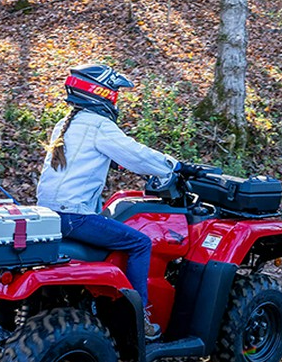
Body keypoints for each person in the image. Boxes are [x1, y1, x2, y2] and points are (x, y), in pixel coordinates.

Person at [37, 63, 184, 340]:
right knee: (141, 242)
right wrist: (172, 166)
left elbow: (85, 159)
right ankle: (141, 317)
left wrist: (114, 163)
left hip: (51, 214)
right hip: (75, 217)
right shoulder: (99, 125)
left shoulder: (65, 124)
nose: (115, 98)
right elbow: (137, 155)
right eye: (114, 93)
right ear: (101, 93)